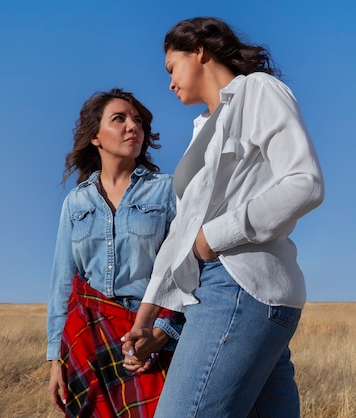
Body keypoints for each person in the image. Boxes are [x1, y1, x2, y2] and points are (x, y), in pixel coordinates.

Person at [121, 17, 325, 417]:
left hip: (238, 286)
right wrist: (147, 313)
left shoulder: (257, 91)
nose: (169, 83)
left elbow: (304, 183)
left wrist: (212, 238)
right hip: (228, 293)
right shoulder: (203, 128)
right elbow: (181, 231)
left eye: (171, 68)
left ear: (200, 51)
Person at [47, 88, 184, 417]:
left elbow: (185, 269)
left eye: (137, 120)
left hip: (150, 333)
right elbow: (63, 282)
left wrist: (161, 333)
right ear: (95, 136)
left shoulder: (167, 190)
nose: (132, 127)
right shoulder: (76, 203)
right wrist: (56, 360)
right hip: (89, 339)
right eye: (119, 119)